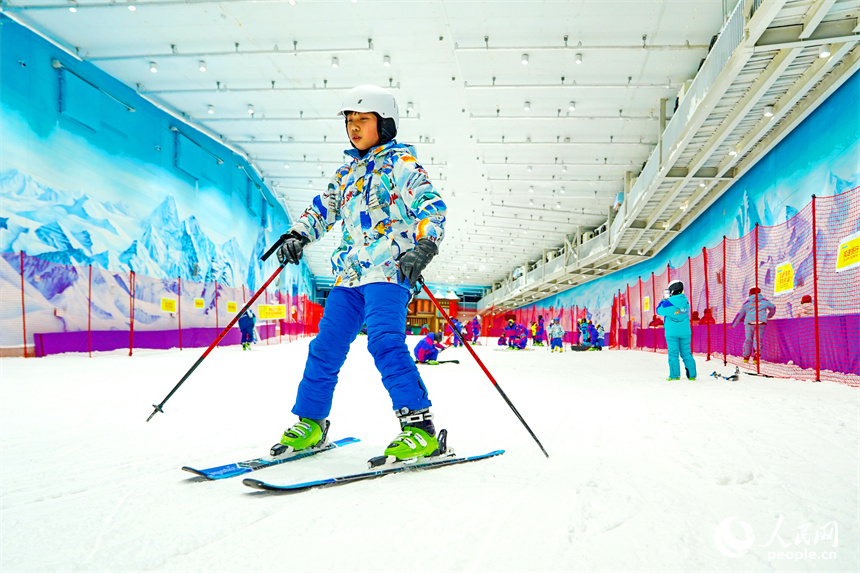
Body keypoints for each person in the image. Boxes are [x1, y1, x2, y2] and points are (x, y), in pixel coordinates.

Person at [272, 85, 447, 463]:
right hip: (349, 276)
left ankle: (419, 429)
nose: (353, 127)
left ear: (384, 124)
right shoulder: (347, 172)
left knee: (385, 342)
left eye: (362, 120)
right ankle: (312, 422)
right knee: (326, 347)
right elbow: (324, 209)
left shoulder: (402, 166)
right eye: (349, 120)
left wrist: (425, 244)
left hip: (389, 270)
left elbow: (431, 205)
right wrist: (298, 234)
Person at [656, 279, 697, 381]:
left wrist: (663, 300)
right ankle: (692, 375)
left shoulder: (668, 303)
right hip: (685, 332)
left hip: (672, 333)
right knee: (687, 353)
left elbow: (659, 311)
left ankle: (674, 376)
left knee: (673, 354)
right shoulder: (686, 301)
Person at [731, 287, 776, 364]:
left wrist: (733, 324)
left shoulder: (747, 302)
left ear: (750, 294)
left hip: (749, 322)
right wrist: (769, 316)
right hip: (761, 322)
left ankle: (746, 357)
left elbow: (740, 314)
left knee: (748, 339)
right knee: (757, 340)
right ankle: (756, 358)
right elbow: (773, 307)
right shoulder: (764, 300)